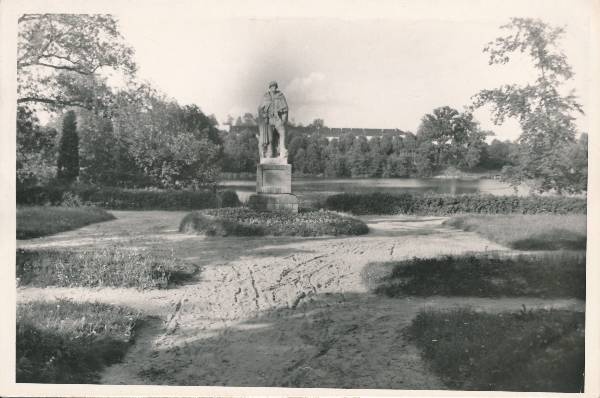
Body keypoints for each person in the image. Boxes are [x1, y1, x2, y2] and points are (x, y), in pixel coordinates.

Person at [258, 81, 288, 158]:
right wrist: (264, 115)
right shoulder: (266, 96)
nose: (273, 88)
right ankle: (269, 152)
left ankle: (282, 149)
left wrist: (283, 120)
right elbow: (261, 109)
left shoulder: (280, 95)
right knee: (270, 138)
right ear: (269, 88)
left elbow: (285, 109)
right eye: (271, 87)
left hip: (278, 119)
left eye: (274, 86)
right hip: (269, 119)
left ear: (276, 87)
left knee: (282, 132)